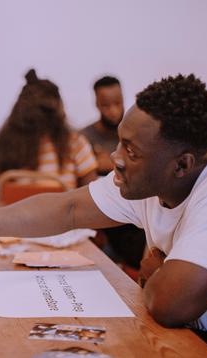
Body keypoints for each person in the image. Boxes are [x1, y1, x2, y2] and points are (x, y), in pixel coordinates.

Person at [0, 74, 207, 354]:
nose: (115, 158)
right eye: (119, 142)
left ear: (181, 165)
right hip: (179, 332)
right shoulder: (156, 176)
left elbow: (170, 305)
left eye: (131, 151)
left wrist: (155, 271)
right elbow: (68, 208)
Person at [0, 69, 98, 190]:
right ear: (58, 109)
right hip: (60, 209)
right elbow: (90, 193)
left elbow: (3, 192)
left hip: (20, 209)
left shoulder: (5, 147)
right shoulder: (75, 144)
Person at [81, 76, 146, 272]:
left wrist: (105, 163)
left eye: (117, 103)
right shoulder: (85, 136)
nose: (113, 110)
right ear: (97, 104)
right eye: (106, 105)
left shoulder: (137, 132)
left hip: (135, 210)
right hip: (103, 210)